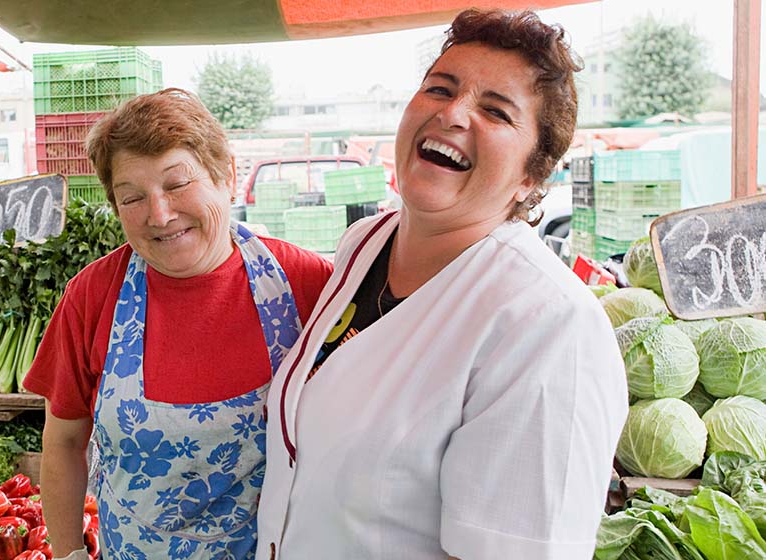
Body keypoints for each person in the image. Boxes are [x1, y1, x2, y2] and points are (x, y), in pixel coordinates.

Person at [255, 9, 628, 560]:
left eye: (495, 111)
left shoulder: (548, 326)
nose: (453, 113)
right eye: (440, 88)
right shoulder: (364, 243)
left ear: (530, 176)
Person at [22, 88, 333, 560]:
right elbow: (64, 442)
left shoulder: (306, 285)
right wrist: (69, 554)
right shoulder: (91, 296)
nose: (160, 214)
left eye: (176, 183)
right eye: (132, 198)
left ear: (225, 175)